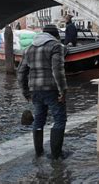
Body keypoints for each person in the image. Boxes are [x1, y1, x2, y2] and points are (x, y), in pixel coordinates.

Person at [17, 24, 68, 159]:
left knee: (39, 120)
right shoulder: (56, 46)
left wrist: (25, 92)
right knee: (59, 119)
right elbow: (57, 71)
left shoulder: (28, 49)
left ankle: (39, 152)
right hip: (52, 89)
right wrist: (62, 91)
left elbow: (21, 73)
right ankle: (56, 155)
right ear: (55, 36)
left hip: (35, 91)